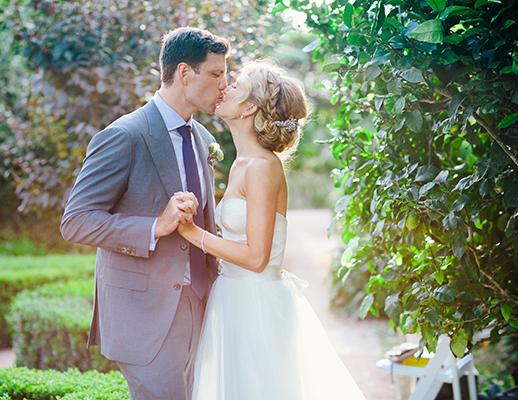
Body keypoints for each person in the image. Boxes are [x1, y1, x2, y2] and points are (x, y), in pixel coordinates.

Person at [176, 61, 367, 400]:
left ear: (250, 107)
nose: (225, 88)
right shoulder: (241, 163)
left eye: (235, 86)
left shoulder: (263, 167)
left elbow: (256, 257)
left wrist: (193, 234)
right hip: (232, 298)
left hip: (256, 305)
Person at [60, 27, 230, 400]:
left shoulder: (201, 137)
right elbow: (75, 220)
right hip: (146, 314)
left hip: (201, 303)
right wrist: (155, 225)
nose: (225, 84)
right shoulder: (124, 136)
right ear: (185, 74)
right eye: (217, 73)